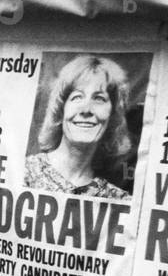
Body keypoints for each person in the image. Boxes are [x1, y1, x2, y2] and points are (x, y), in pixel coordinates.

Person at [24, 55, 133, 200]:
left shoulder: (118, 200)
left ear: (113, 115)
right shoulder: (23, 172)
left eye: (99, 98)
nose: (86, 109)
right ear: (61, 109)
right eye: (77, 97)